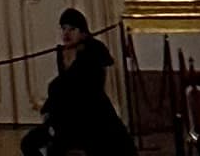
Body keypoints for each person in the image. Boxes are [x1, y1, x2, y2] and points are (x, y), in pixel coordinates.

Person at [26, 8, 134, 156]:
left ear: (83, 31)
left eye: (72, 29)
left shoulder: (93, 49)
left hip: (92, 114)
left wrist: (56, 89)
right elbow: (63, 87)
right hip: (66, 115)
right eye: (64, 29)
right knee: (28, 143)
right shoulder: (62, 52)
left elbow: (87, 86)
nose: (66, 34)